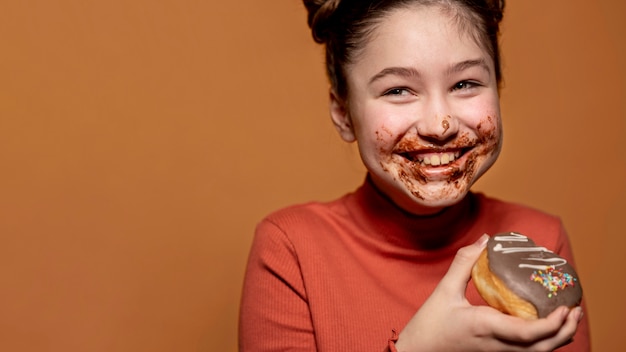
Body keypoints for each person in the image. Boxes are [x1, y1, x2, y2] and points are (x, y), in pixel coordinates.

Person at [239, 0, 590, 350]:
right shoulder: (291, 249)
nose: (440, 125)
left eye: (465, 84)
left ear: (497, 87)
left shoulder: (542, 243)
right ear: (344, 113)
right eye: (397, 90)